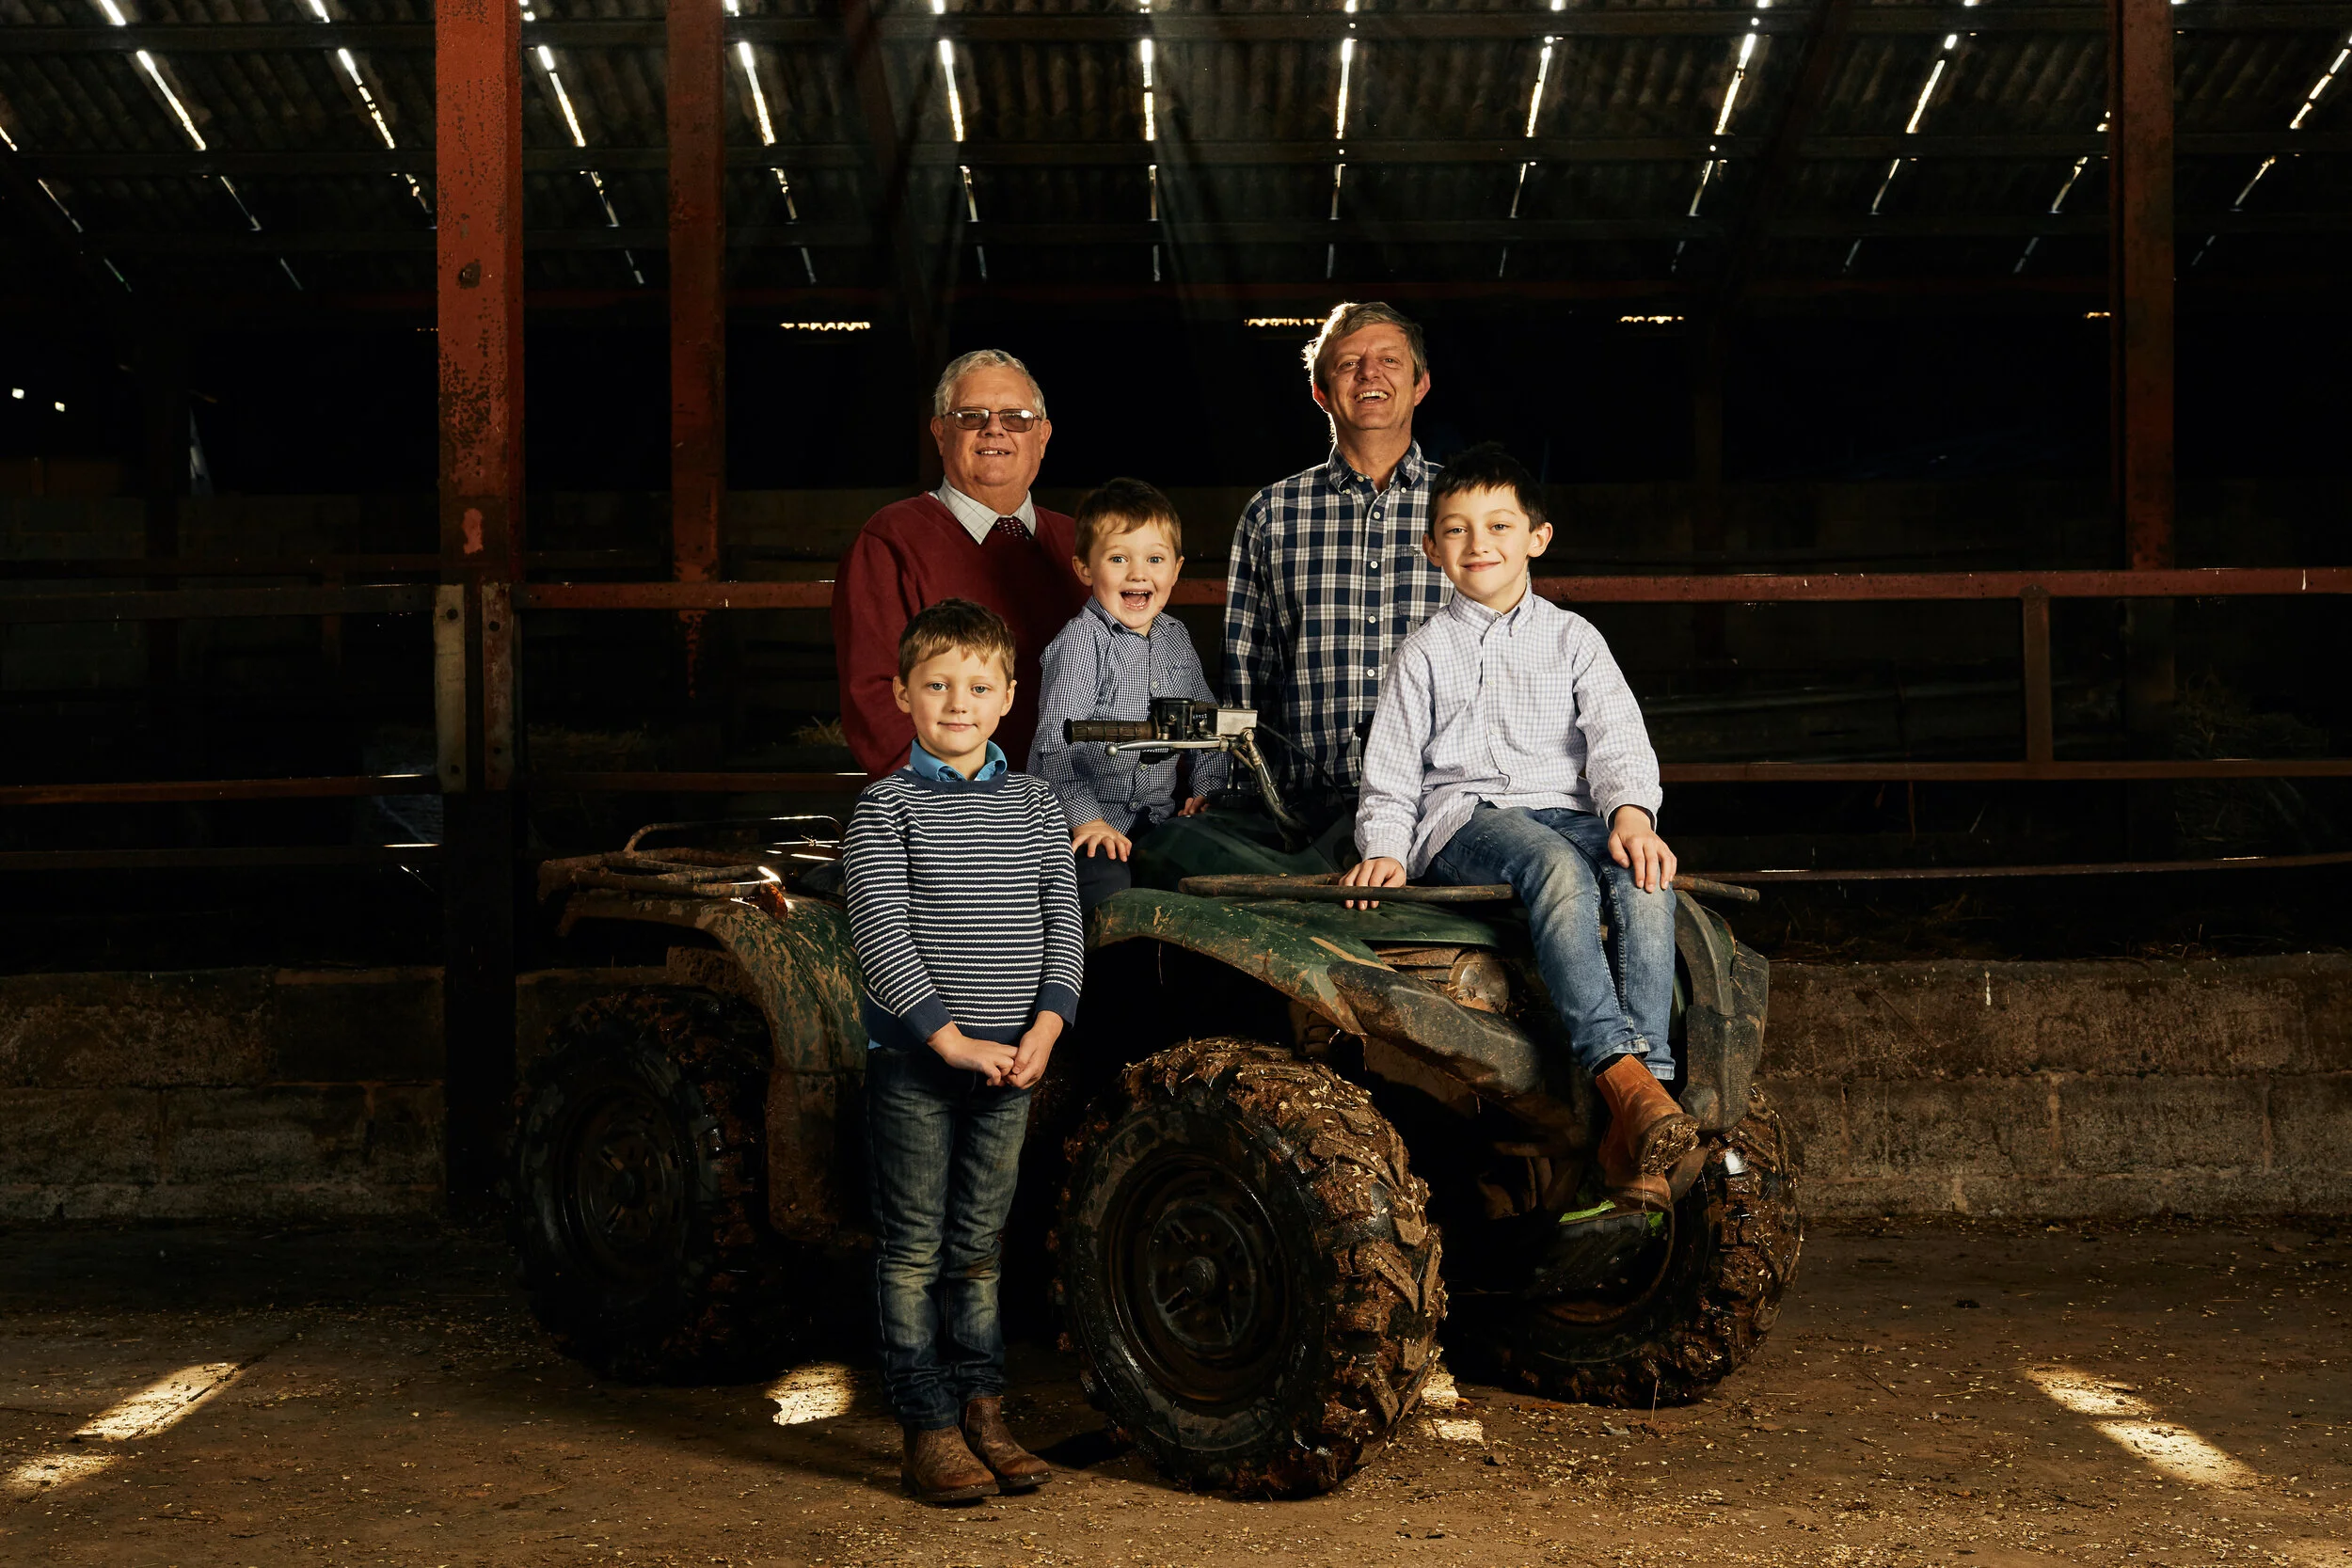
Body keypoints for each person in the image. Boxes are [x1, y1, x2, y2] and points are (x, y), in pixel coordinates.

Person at [1339, 446, 1695, 1212]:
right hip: (1468, 821)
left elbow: (1618, 738)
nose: (1479, 544)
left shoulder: (1574, 639)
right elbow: (1393, 772)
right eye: (1457, 530)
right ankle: (1633, 1084)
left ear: (1538, 536)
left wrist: (1631, 812)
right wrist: (1384, 851)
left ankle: (1635, 1120)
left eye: (1499, 524)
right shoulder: (1424, 652)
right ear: (1430, 548)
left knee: (1644, 874)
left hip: (1570, 811)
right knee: (1555, 870)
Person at [840, 599, 1084, 1501]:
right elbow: (881, 935)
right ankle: (927, 1425)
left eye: (979, 686)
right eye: (937, 685)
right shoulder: (884, 809)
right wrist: (948, 1038)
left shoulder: (1033, 803)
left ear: (1010, 697)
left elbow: (1065, 925)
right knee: (912, 1248)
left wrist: (1044, 1031)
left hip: (1014, 1065)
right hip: (916, 1064)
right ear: (902, 694)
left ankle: (985, 1409)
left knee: (979, 1250)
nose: (957, 702)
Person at [1222, 301, 1449, 795]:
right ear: (1321, 392)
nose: (1370, 372)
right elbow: (1248, 673)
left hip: (1445, 802)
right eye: (1348, 364)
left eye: (1390, 360)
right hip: (1308, 800)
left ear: (1420, 384)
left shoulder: (1469, 506)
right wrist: (1240, 794)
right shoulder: (1271, 513)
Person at [833, 350, 1089, 778]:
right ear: (939, 433)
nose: (994, 429)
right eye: (971, 416)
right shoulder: (891, 540)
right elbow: (874, 701)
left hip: (1083, 808)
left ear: (1041, 437)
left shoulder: (1080, 544)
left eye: (1016, 417)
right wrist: (958, 809)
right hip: (956, 813)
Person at [1030, 479, 1229, 913]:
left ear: (1175, 570)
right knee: (1107, 888)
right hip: (1087, 822)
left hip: (1159, 820)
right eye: (1118, 558)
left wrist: (1205, 791)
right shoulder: (1081, 643)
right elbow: (1055, 748)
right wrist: (1087, 819)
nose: (1138, 574)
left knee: (1209, 878)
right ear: (1084, 568)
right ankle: (1101, 978)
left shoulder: (1176, 638)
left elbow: (1210, 723)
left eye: (1154, 559)